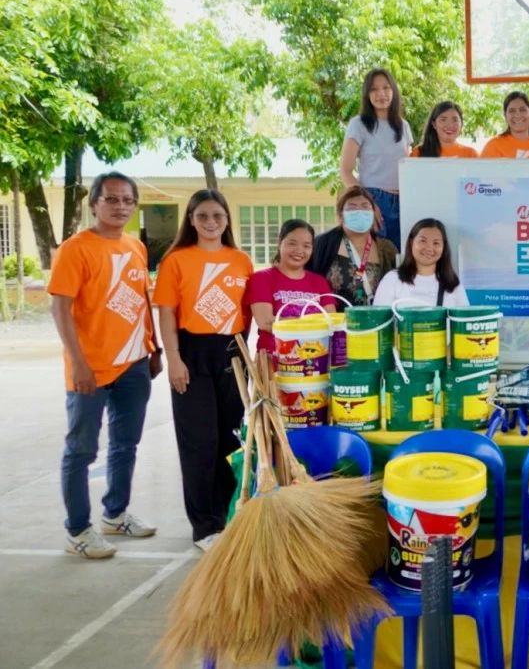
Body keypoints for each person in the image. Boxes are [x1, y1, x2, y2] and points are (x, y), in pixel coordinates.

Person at [49, 172, 162, 559]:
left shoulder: (135, 247)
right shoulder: (75, 249)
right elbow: (60, 308)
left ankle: (115, 514)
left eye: (127, 200)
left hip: (133, 364)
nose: (120, 207)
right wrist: (77, 362)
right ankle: (78, 530)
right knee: (81, 450)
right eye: (111, 199)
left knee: (125, 445)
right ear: (94, 203)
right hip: (90, 368)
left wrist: (154, 348)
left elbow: (141, 300)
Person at [152, 189, 254, 552]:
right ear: (191, 220)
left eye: (218, 216)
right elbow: (166, 312)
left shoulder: (241, 260)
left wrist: (246, 358)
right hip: (192, 351)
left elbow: (248, 314)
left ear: (227, 220)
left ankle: (229, 515)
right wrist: (174, 358)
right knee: (199, 442)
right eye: (203, 216)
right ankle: (204, 525)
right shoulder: (177, 260)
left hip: (232, 353)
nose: (211, 223)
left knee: (230, 439)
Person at [339, 68, 412, 251]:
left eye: (386, 88)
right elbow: (345, 172)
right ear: (366, 94)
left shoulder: (403, 126)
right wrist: (368, 204)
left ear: (393, 91)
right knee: (376, 261)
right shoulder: (359, 124)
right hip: (375, 198)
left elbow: (409, 167)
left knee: (401, 261)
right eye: (374, 89)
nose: (381, 94)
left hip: (405, 201)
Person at [245, 220, 336, 356]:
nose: (299, 250)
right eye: (292, 243)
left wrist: (286, 323)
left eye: (306, 246)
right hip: (273, 362)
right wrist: (312, 325)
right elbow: (266, 322)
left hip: (315, 361)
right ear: (279, 243)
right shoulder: (262, 278)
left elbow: (332, 321)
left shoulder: (320, 282)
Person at [308, 186, 400, 309]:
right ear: (340, 215)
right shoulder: (323, 243)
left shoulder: (387, 248)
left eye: (365, 206)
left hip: (375, 321)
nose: (360, 211)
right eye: (352, 207)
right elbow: (307, 281)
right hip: (334, 322)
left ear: (373, 213)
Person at [374, 219, 470, 308]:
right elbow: (379, 321)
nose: (429, 248)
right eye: (423, 241)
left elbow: (464, 320)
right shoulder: (392, 280)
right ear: (411, 243)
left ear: (444, 247)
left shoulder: (452, 283)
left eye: (436, 243)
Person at [480, 91, 529, 158]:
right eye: (512, 111)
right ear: (505, 116)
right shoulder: (493, 146)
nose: (518, 115)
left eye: (523, 110)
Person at [412, 101, 479, 158]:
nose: (450, 125)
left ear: (461, 124)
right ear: (434, 124)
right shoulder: (418, 153)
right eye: (443, 120)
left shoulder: (471, 154)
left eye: (455, 120)